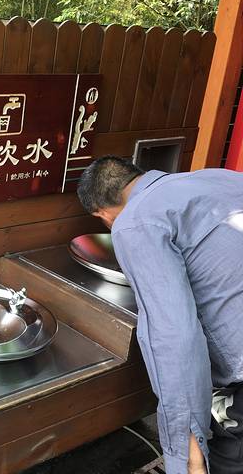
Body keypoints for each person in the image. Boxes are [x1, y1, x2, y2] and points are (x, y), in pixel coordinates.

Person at [76, 157, 243, 474]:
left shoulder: (135, 221)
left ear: (102, 213)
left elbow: (175, 339)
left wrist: (187, 455)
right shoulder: (220, 178)